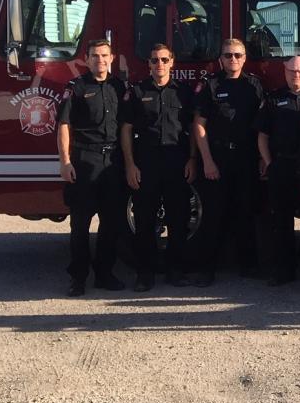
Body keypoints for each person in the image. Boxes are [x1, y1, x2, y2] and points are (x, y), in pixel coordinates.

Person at [120, 44, 197, 292]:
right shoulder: (138, 91)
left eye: (164, 60)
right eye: (154, 60)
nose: (159, 65)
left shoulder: (184, 93)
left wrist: (193, 158)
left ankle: (177, 271)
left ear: (172, 62)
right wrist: (130, 164)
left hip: (177, 160)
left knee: (179, 217)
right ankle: (145, 273)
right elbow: (127, 130)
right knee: (144, 220)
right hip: (147, 161)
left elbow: (194, 128)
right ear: (148, 64)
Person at [191, 39, 264, 286]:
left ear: (245, 58)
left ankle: (249, 265)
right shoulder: (210, 85)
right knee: (212, 214)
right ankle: (206, 269)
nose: (233, 59)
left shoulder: (254, 85)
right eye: (228, 55)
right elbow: (199, 126)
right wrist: (208, 161)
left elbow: (263, 125)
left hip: (246, 158)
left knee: (246, 211)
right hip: (218, 158)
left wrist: (263, 159)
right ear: (220, 59)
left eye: (237, 55)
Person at [57, 39, 127, 296]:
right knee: (80, 225)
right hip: (85, 160)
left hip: (113, 161)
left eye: (105, 55)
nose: (100, 60)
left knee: (111, 223)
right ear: (86, 59)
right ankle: (78, 277)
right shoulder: (76, 87)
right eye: (95, 56)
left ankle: (105, 274)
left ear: (112, 58)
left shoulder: (119, 86)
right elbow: (64, 125)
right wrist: (65, 161)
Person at [257, 56, 300, 286]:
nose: (297, 76)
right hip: (282, 166)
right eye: (292, 71)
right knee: (282, 222)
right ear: (284, 72)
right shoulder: (273, 100)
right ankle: (284, 270)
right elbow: (263, 136)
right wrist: (269, 162)